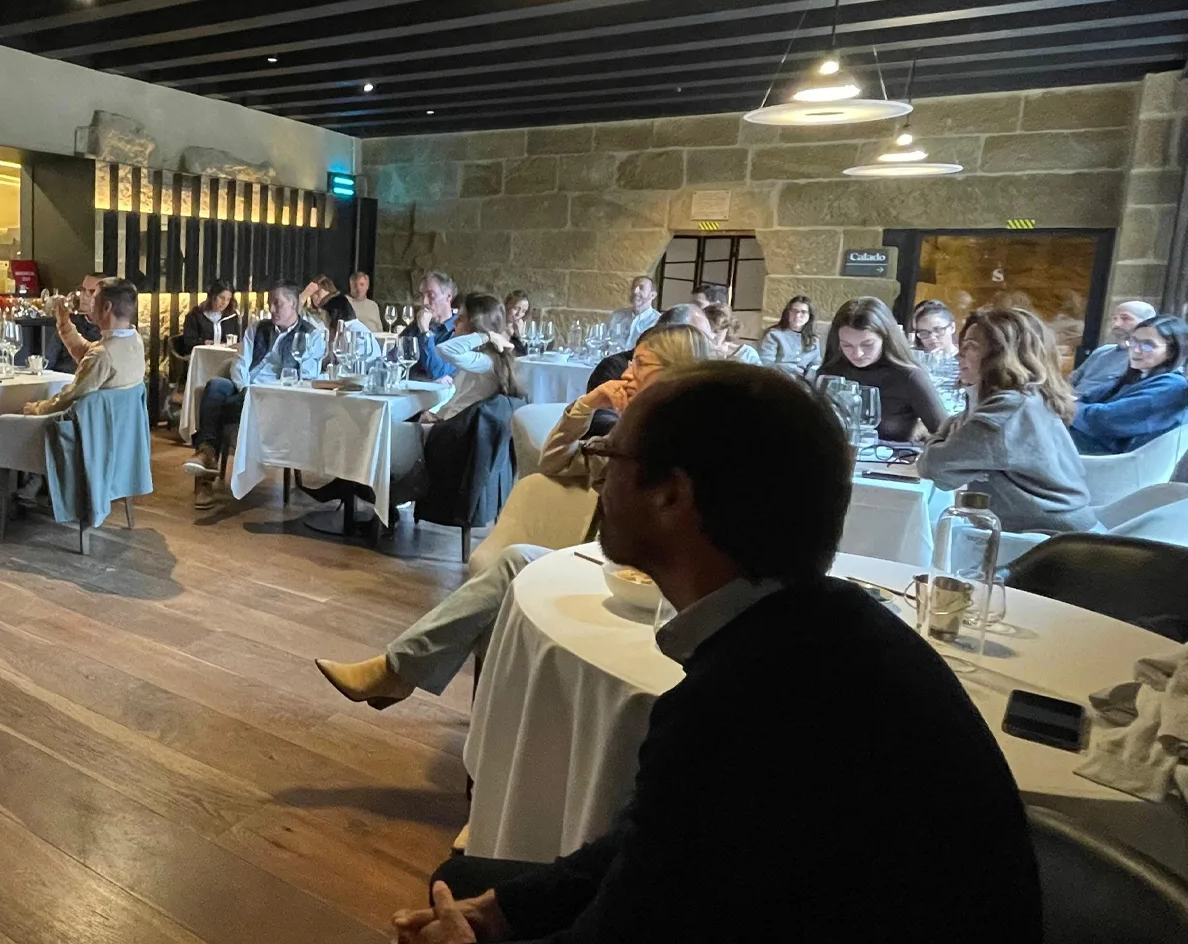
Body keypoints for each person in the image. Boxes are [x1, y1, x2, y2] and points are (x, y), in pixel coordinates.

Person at [395, 364, 1042, 944]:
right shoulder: (831, 624)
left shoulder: (740, 701)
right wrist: (505, 910)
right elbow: (656, 842)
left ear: (671, 495)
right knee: (470, 883)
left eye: (609, 454)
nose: (598, 475)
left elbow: (632, 924)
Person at [315, 325, 711, 709]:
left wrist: (630, 429)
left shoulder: (687, 449)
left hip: (648, 583)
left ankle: (400, 672)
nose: (626, 373)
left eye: (640, 363)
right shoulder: (628, 432)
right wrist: (585, 406)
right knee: (513, 562)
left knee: (514, 565)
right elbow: (552, 462)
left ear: (674, 373)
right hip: (603, 566)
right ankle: (401, 671)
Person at [0, 280, 148, 532]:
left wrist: (34, 409)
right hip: (107, 439)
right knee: (0, 423)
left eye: (94, 297)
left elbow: (68, 398)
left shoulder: (103, 356)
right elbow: (86, 353)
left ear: (106, 307)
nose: (87, 302)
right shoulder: (132, 341)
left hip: (72, 441)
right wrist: (64, 323)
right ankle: (12, 494)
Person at [919, 307, 1097, 534]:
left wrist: (938, 444)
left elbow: (932, 466)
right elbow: (947, 472)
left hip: (1043, 540)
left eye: (970, 346)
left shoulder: (1008, 409)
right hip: (1047, 530)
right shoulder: (1027, 398)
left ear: (1001, 355)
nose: (958, 355)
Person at [181, 281, 325, 509]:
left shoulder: (312, 335)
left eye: (277, 304)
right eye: (270, 304)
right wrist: (245, 389)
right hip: (246, 388)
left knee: (215, 411)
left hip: (276, 396)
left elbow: (306, 376)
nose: (272, 309)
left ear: (293, 304)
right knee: (216, 385)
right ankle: (207, 455)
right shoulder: (257, 328)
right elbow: (240, 364)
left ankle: (206, 460)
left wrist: (258, 392)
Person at [819, 296, 945, 442]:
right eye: (847, 345)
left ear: (886, 339)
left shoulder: (909, 377)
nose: (858, 354)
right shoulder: (831, 373)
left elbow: (947, 438)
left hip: (894, 456)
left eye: (867, 344)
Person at [1070, 314, 1188, 456]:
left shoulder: (1171, 385)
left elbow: (1107, 418)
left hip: (1111, 458)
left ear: (1171, 352)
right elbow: (1089, 397)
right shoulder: (1138, 375)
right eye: (1133, 342)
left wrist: (1067, 407)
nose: (1136, 350)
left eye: (1148, 345)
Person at [432, 293, 521, 422]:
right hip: (450, 422)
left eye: (461, 319)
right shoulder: (478, 354)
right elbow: (459, 398)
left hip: (458, 428)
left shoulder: (485, 361)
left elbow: (443, 349)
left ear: (475, 325)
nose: (454, 322)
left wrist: (488, 336)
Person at [586, 303, 709, 392]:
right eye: (700, 339)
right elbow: (602, 415)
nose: (627, 374)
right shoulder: (614, 367)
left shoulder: (700, 380)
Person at [1071, 300, 1158, 398]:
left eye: (1125, 318)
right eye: (1114, 318)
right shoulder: (1102, 351)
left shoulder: (1146, 358)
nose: (1116, 324)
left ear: (1146, 322)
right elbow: (1072, 380)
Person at [400, 271, 459, 382]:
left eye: (431, 296)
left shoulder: (459, 330)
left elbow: (437, 372)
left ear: (448, 296)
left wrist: (425, 332)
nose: (424, 302)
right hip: (407, 389)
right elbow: (393, 358)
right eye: (421, 296)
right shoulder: (415, 327)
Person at [47, 273, 104, 374]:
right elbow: (48, 360)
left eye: (91, 292)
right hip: (59, 377)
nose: (84, 296)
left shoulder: (109, 329)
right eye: (82, 290)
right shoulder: (69, 320)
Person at [759, 294, 820, 378]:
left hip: (803, 381)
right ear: (787, 313)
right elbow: (766, 363)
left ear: (810, 316)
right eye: (794, 311)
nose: (797, 315)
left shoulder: (813, 340)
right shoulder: (773, 334)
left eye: (803, 312)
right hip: (777, 378)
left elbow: (815, 364)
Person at [321, 293, 384, 370]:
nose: (325, 323)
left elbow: (354, 367)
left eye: (325, 317)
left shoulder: (354, 333)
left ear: (334, 315)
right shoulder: (348, 329)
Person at [181, 279, 239, 350]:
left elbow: (236, 341)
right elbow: (188, 342)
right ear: (212, 296)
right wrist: (203, 343)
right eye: (221, 298)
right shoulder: (195, 315)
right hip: (201, 354)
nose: (224, 303)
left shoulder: (232, 317)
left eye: (228, 299)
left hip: (225, 355)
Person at [605, 275, 659, 350]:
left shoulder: (659, 322)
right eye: (633, 288)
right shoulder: (616, 316)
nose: (635, 291)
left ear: (652, 295)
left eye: (641, 288)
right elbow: (601, 344)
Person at [502, 290, 531, 355]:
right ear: (506, 305)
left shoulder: (521, 327)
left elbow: (524, 354)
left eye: (523, 311)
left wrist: (520, 336)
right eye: (516, 308)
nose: (518, 314)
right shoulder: (496, 326)